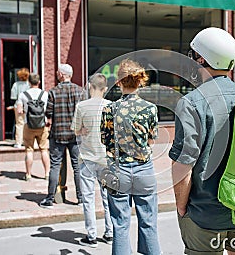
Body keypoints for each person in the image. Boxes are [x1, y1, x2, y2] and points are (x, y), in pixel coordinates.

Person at [169, 27, 235, 254]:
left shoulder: (191, 103)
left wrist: (181, 207)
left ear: (200, 59)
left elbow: (183, 165)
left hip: (204, 215)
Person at [100, 59, 161, 255]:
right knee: (149, 223)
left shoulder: (109, 109)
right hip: (144, 169)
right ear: (140, 81)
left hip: (118, 170)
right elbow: (152, 141)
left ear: (119, 81)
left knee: (120, 225)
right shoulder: (150, 108)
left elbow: (105, 140)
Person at [71, 73, 113, 247]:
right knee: (108, 198)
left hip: (87, 157)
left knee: (88, 197)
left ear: (89, 86)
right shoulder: (111, 106)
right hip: (106, 158)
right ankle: (110, 233)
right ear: (105, 89)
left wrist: (83, 131)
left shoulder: (82, 106)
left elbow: (75, 130)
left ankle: (92, 235)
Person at [39, 64, 86, 208]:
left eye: (58, 72)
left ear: (61, 74)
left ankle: (50, 198)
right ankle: (81, 198)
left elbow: (48, 113)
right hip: (75, 134)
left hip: (58, 134)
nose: (56, 73)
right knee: (77, 167)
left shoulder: (53, 92)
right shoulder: (80, 91)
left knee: (55, 166)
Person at [17, 73, 50, 181]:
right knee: (44, 150)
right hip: (42, 126)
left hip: (29, 125)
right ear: (39, 82)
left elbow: (19, 111)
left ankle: (28, 174)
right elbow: (49, 110)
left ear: (29, 82)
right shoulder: (45, 94)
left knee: (29, 150)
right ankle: (46, 174)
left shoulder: (23, 95)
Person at [11, 68, 30, 148]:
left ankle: (18, 142)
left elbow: (13, 97)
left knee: (19, 124)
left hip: (18, 105)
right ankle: (28, 141)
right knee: (28, 124)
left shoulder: (16, 85)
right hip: (28, 106)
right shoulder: (29, 85)